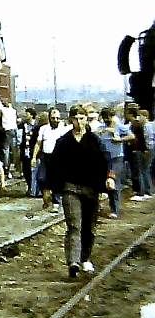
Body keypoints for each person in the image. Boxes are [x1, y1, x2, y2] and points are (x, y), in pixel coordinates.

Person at [47, 105, 115, 278]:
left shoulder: (94, 140)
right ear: (70, 120)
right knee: (74, 225)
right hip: (70, 188)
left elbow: (107, 159)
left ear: (86, 119)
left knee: (89, 227)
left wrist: (109, 177)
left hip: (91, 188)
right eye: (75, 118)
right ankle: (73, 262)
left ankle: (84, 258)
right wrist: (47, 188)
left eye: (82, 118)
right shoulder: (63, 142)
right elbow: (53, 165)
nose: (78, 122)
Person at [93, 107, 134, 217]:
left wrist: (119, 139)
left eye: (109, 117)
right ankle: (99, 206)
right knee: (103, 183)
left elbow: (131, 136)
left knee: (113, 181)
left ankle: (114, 210)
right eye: (105, 117)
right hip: (104, 159)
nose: (107, 119)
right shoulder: (100, 128)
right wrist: (99, 134)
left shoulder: (119, 127)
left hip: (116, 158)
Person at [33, 108, 71, 213]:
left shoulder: (63, 129)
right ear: (49, 118)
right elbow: (38, 143)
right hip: (46, 156)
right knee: (41, 178)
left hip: (58, 158)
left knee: (56, 180)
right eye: (53, 118)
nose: (55, 120)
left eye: (57, 118)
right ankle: (46, 194)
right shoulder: (43, 129)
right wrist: (33, 157)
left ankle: (56, 203)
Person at [126, 108, 151, 199]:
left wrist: (143, 149)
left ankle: (141, 192)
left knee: (140, 170)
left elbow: (141, 138)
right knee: (142, 170)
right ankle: (145, 190)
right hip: (139, 149)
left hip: (138, 149)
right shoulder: (135, 124)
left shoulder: (136, 124)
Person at [0, 95, 18, 175]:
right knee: (14, 148)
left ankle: (6, 167)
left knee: (6, 149)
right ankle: (16, 166)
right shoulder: (13, 111)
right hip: (15, 129)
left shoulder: (4, 110)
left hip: (8, 130)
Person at [19, 108, 38, 197]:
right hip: (25, 150)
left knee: (34, 170)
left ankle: (34, 189)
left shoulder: (37, 125)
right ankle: (29, 186)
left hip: (33, 150)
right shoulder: (23, 125)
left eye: (27, 114)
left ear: (31, 115)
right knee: (26, 170)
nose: (26, 115)